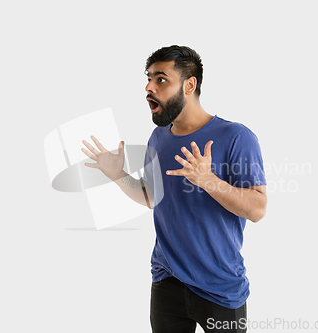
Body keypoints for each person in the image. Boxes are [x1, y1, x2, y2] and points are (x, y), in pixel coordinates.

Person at [81, 45, 267, 333]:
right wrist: (118, 175)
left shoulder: (236, 137)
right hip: (167, 282)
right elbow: (151, 197)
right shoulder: (158, 137)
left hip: (220, 287)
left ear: (189, 85)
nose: (148, 87)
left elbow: (257, 209)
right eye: (148, 78)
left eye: (161, 79)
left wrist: (208, 180)